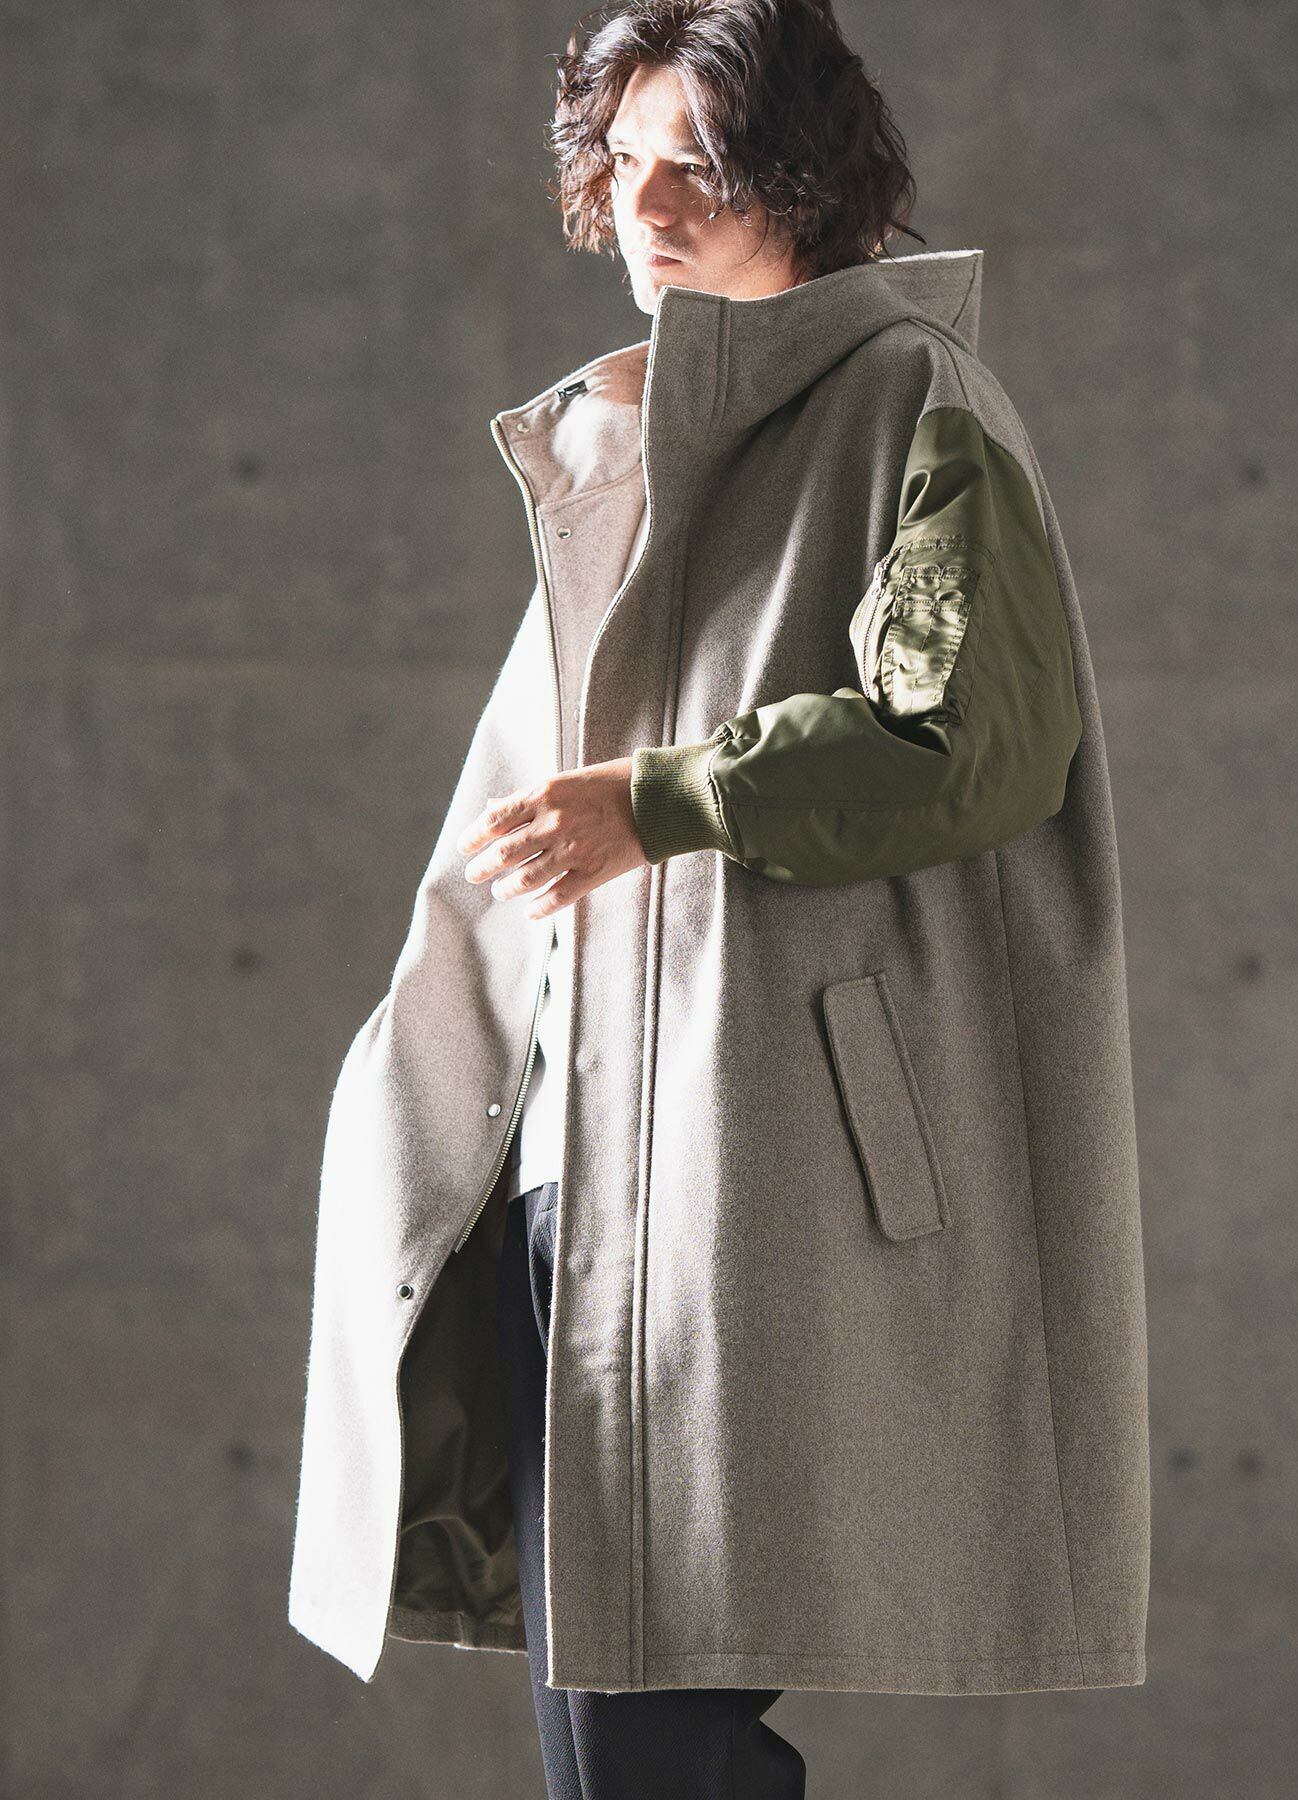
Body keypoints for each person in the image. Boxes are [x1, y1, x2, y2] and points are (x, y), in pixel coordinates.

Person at [288, 2, 1151, 1793]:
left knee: (651, 1741)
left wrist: (665, 801)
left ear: (806, 177)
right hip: (578, 1171)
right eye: (622, 162)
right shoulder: (640, 441)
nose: (645, 203)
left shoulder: (908, 401)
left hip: (748, 1177)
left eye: (698, 163)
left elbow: (971, 739)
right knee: (611, 1739)